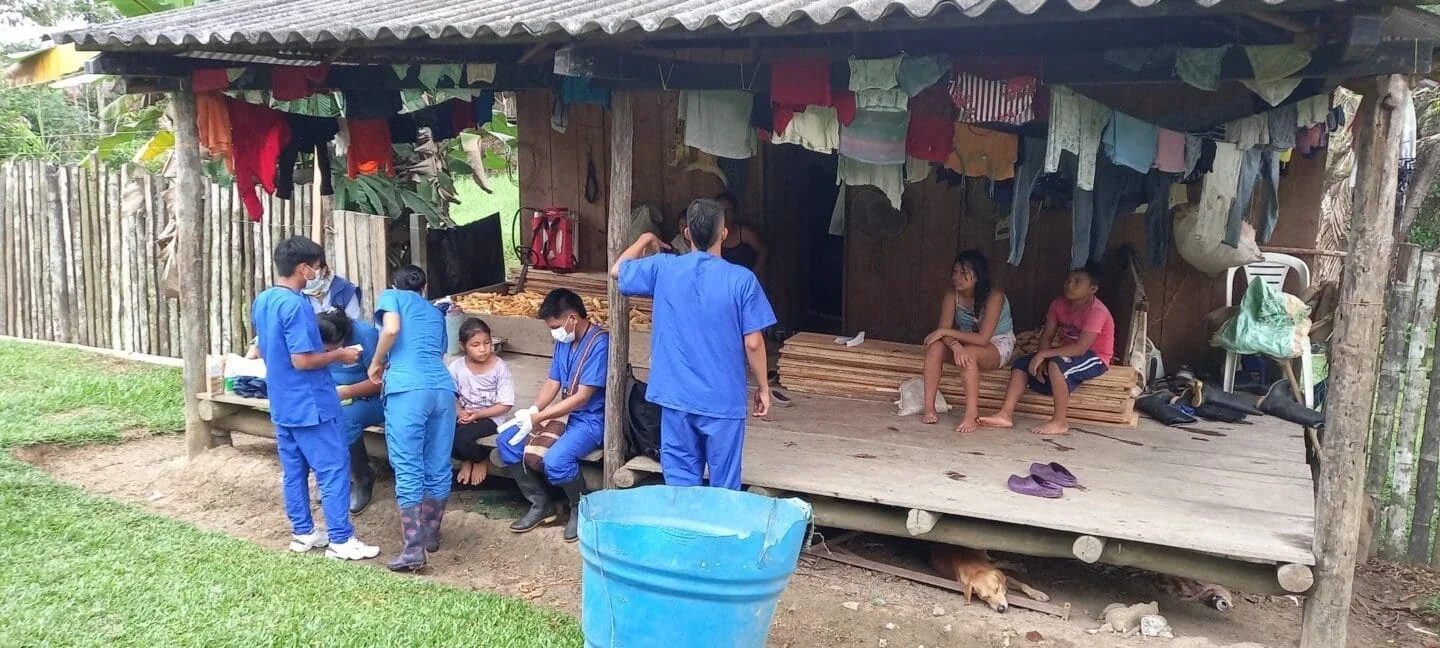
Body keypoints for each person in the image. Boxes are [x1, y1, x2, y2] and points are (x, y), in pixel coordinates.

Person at [612, 197, 776, 491]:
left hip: (675, 396)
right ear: (723, 234)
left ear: (686, 233)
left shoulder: (663, 268)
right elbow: (753, 343)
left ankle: (683, 533)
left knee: (680, 484)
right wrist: (763, 388)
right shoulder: (742, 280)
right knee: (724, 486)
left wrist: (645, 239)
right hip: (722, 400)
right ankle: (719, 535)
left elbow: (617, 271)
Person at [250, 236, 379, 561]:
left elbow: (266, 349)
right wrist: (341, 356)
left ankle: (303, 532)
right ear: (303, 268)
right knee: (333, 468)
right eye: (318, 267)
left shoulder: (264, 300)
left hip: (282, 401)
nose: (320, 273)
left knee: (293, 470)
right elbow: (303, 359)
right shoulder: (297, 304)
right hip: (311, 402)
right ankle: (340, 538)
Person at [367, 264, 457, 571]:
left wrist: (376, 362)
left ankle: (413, 549)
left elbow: (391, 329)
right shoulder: (436, 312)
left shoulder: (391, 298)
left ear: (394, 284)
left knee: (408, 466)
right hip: (443, 391)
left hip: (407, 390)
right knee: (438, 464)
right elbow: (441, 353)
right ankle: (431, 534)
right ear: (425, 285)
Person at [507, 289, 609, 543]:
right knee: (506, 443)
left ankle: (580, 507)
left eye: (555, 325)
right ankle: (541, 504)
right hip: (563, 415)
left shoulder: (600, 343)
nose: (554, 332)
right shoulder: (564, 341)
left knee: (555, 460)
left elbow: (583, 397)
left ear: (572, 319)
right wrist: (534, 410)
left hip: (590, 420)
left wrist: (541, 416)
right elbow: (553, 381)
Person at [979, 262, 1115, 436]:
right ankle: (1005, 414)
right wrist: (1041, 358)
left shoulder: (1097, 311)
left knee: (1056, 365)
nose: (1069, 285)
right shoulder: (1059, 304)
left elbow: (1081, 349)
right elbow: (1047, 337)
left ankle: (1060, 421)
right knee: (1021, 364)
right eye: (1068, 280)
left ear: (1093, 289)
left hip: (1094, 356)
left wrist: (1044, 355)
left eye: (1077, 282)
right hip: (1067, 352)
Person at [920, 251, 1016, 433]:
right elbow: (944, 334)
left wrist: (944, 331)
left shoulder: (995, 297)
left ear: (978, 276)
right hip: (964, 341)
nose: (957, 277)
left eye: (964, 273)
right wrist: (955, 345)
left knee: (970, 352)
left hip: (997, 343)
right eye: (955, 272)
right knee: (935, 348)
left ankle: (971, 415)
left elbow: (982, 339)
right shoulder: (952, 296)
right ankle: (929, 407)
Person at [316, 309, 383, 514]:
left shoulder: (366, 336)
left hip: (372, 399)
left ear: (342, 339)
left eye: (331, 351)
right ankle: (334, 475)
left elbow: (381, 381)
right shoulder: (314, 333)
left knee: (344, 418)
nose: (329, 356)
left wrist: (346, 392)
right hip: (334, 395)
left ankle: (362, 476)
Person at [244, 260, 361, 360]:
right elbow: (281, 325)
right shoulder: (296, 298)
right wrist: (256, 344)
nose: (310, 276)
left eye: (314, 269)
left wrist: (337, 351)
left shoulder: (345, 290)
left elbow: (353, 325)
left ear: (324, 269)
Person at [447, 317, 514, 487]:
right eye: (475, 345)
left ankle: (480, 459)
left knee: (462, 437)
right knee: (443, 433)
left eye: (487, 343)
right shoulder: (456, 367)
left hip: (491, 416)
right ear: (463, 346)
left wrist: (478, 414)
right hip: (466, 414)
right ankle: (467, 459)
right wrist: (459, 411)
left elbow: (505, 404)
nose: (483, 349)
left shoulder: (499, 367)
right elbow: (450, 394)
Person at [714, 192, 767, 277]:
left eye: (728, 210)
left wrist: (753, 273)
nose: (724, 215)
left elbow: (763, 251)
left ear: (734, 212)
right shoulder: (712, 235)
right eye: (720, 211)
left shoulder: (745, 233)